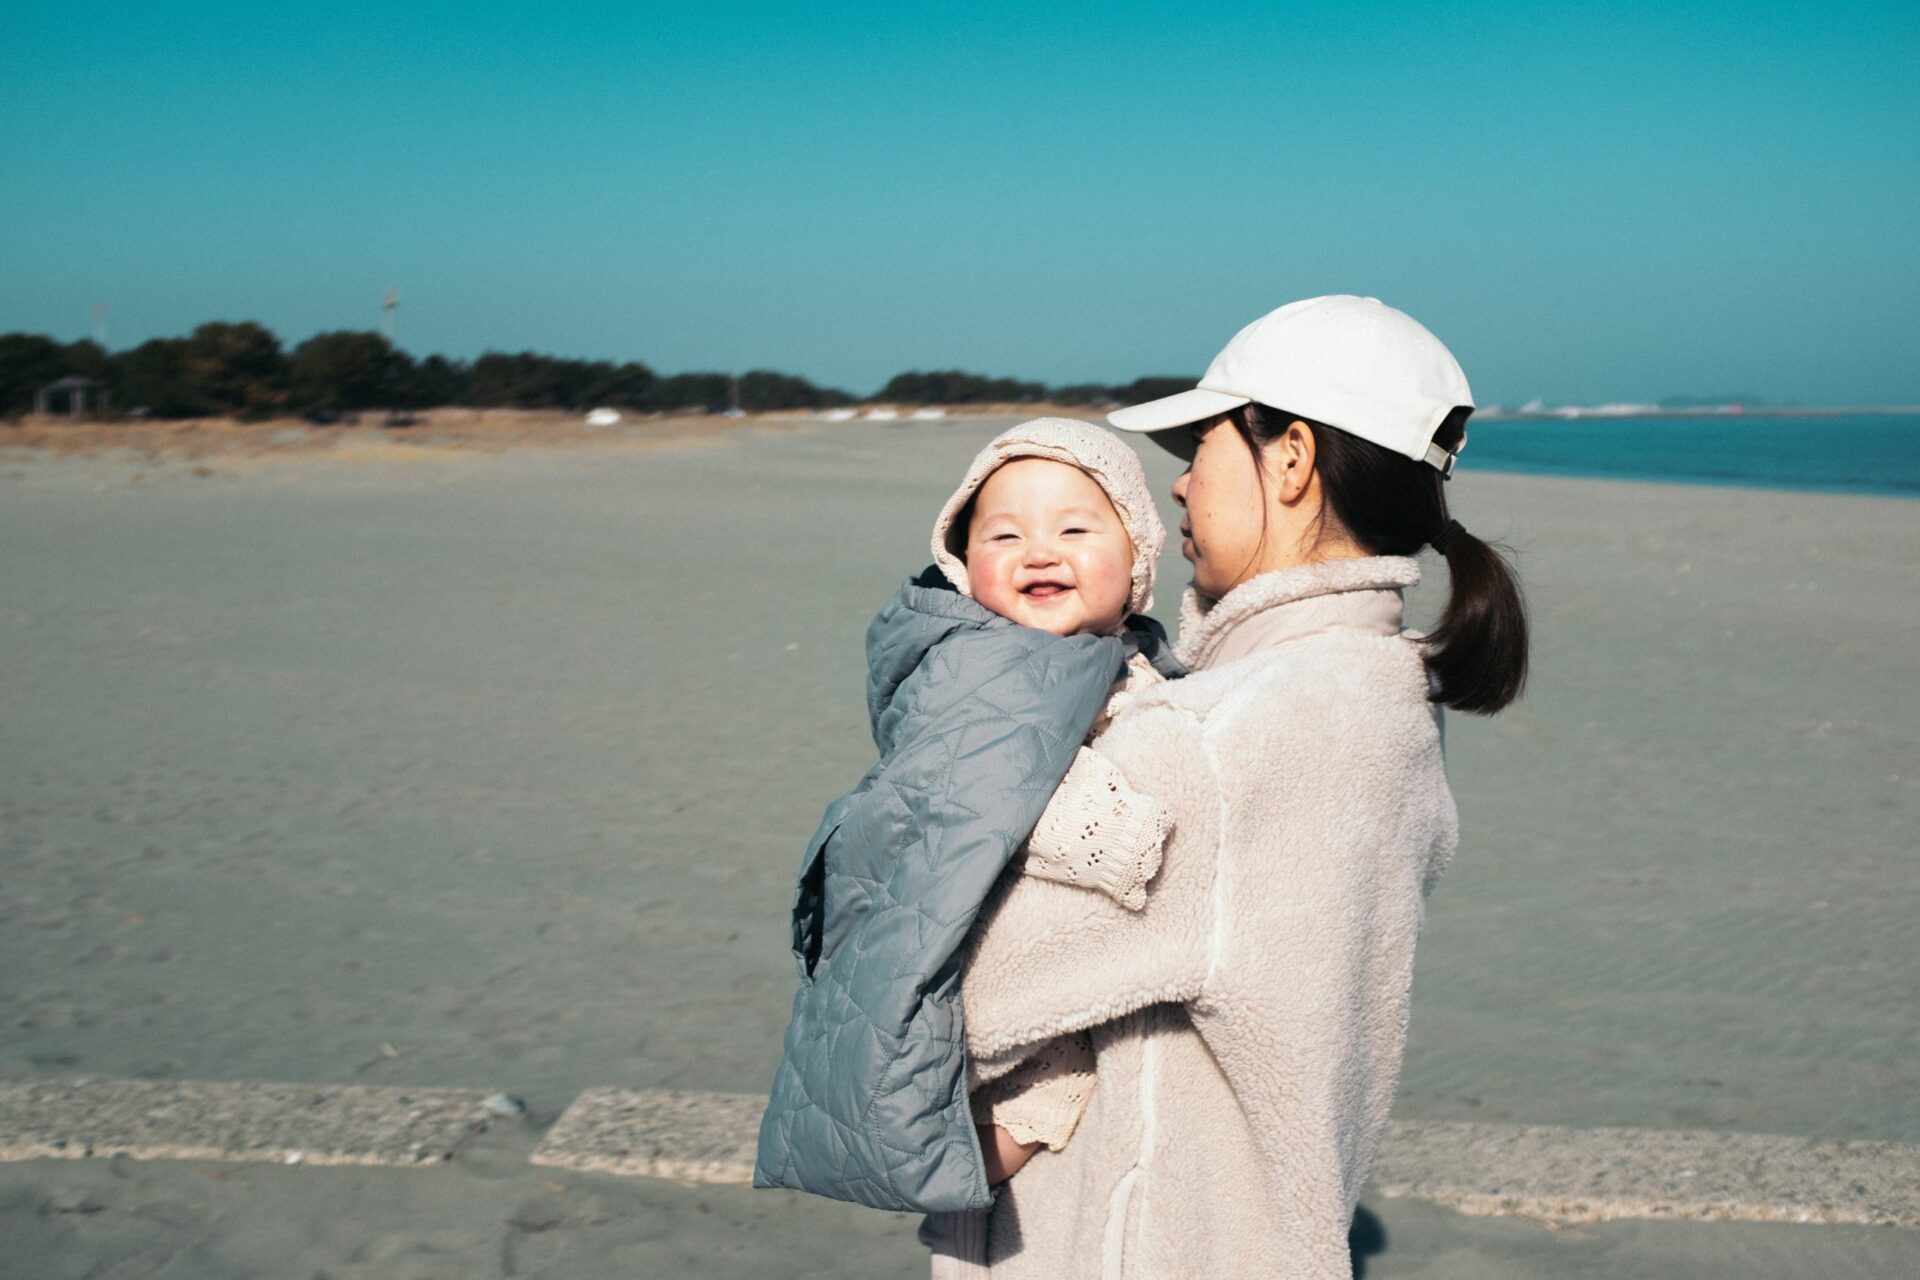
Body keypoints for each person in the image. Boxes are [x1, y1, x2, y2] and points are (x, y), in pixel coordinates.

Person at [923, 295, 1530, 1278]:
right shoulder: (1387, 695)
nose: (1177, 487)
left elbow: (930, 1004)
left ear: (1289, 458)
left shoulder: (1220, 738)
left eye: (1200, 443)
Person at [755, 418, 1186, 1213]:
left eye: (1076, 529)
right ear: (962, 563)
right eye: (1004, 534)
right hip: (971, 935)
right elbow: (974, 796)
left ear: (1137, 561)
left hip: (1032, 947)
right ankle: (939, 1158)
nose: (1039, 551)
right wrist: (1124, 831)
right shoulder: (983, 664)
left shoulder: (1107, 656)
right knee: (1020, 1084)